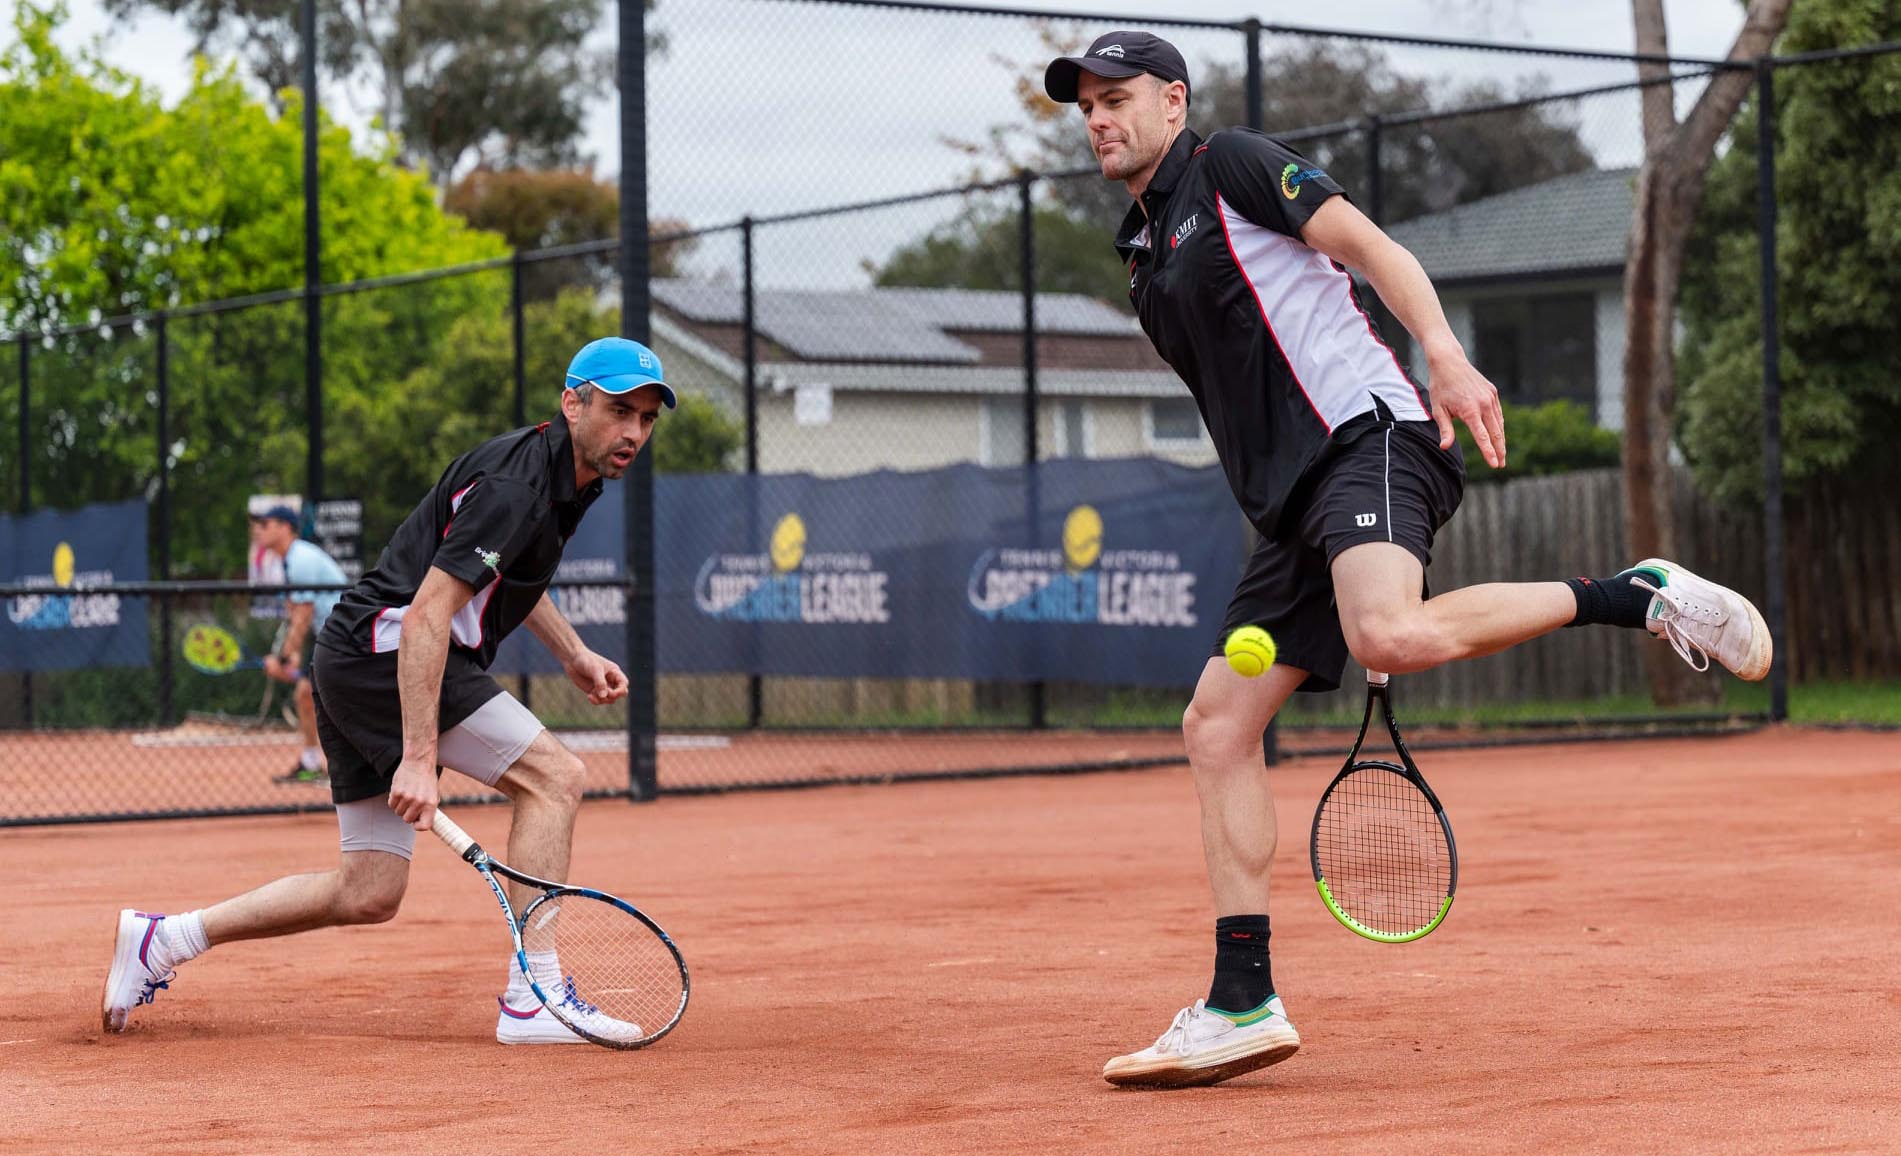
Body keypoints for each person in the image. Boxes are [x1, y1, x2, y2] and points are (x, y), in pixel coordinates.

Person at [1043, 32, 1772, 1088]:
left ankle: (1636, 592)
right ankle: (1242, 998)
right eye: (1085, 107)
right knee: (1215, 726)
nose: (1099, 118)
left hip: (1369, 437)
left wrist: (1442, 351)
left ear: (1172, 101)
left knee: (1384, 630)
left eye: (1117, 98)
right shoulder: (1142, 254)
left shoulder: (1235, 164)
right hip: (1293, 507)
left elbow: (1374, 250)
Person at [103, 337, 676, 1045]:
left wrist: (574, 653)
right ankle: (534, 994)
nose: (633, 434)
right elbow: (429, 613)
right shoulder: (517, 484)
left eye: (646, 419)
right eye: (619, 411)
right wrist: (416, 754)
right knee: (554, 779)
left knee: (368, 892)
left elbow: (513, 578)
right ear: (572, 402)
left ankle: (165, 940)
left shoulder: (566, 475)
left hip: (353, 655)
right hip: (387, 654)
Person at [249, 505, 348, 784]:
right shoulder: (288, 561)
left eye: (266, 524)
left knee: (318, 697)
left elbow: (303, 615)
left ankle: (346, 765)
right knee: (306, 696)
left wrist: (281, 658)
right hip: (327, 633)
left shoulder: (301, 558)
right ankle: (312, 763)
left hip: (343, 633)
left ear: (285, 527)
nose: (259, 530)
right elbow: (297, 614)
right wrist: (289, 658)